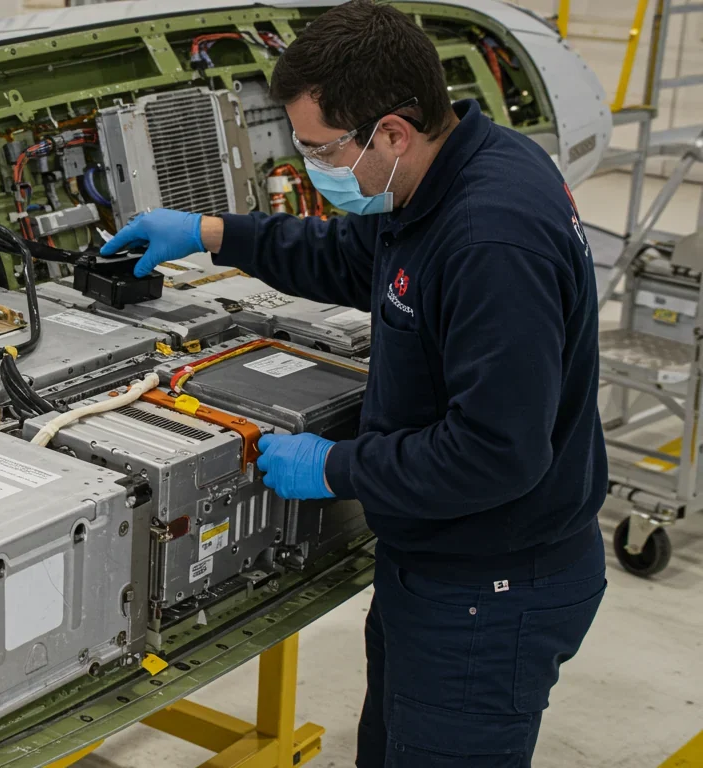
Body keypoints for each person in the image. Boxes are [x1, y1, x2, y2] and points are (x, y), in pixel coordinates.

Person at [100, 1, 607, 765]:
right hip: (437, 564)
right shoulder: (447, 172)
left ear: (392, 132)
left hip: (492, 588)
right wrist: (212, 235)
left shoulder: (492, 240)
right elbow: (350, 256)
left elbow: (497, 453)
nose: (312, 166)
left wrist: (334, 467)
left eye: (319, 149)